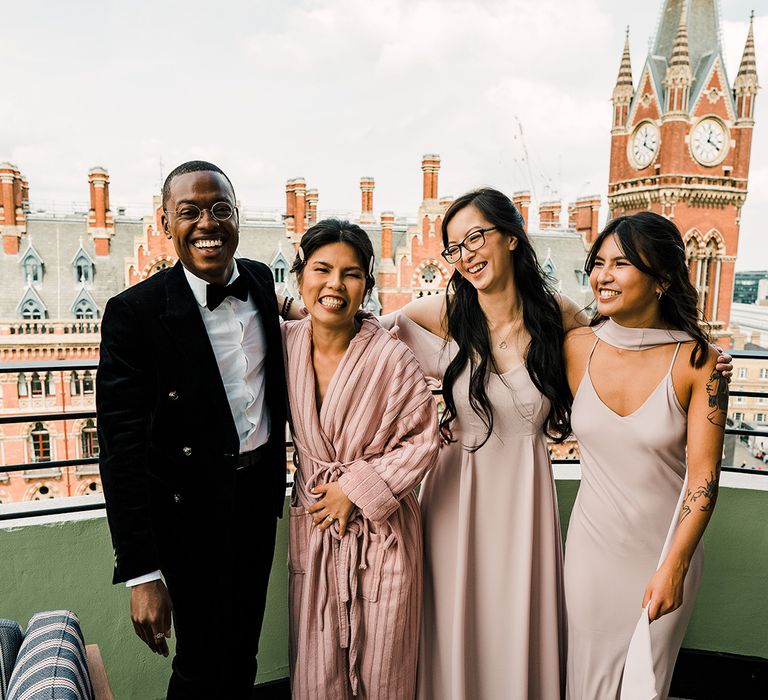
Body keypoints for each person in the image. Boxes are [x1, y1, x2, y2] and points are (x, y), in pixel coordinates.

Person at [379, 188, 579, 699]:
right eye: (454, 247)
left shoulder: (559, 316)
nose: (466, 255)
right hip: (453, 498)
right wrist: (289, 306)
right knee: (452, 625)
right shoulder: (442, 312)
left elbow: (625, 344)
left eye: (475, 237)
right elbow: (358, 337)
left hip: (524, 501)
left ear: (511, 237)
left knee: (516, 621)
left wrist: (698, 350)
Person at [97, 161, 287, 699]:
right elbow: (121, 450)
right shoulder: (134, 313)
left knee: (242, 651)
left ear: (237, 217)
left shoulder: (259, 280)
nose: (208, 222)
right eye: (190, 211)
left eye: (220, 208)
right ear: (166, 222)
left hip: (255, 499)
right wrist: (141, 573)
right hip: (186, 514)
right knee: (200, 663)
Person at [563, 212, 727, 699]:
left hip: (663, 553)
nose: (603, 275)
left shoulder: (701, 362)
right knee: (586, 685)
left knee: (644, 686)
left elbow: (703, 477)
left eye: (622, 264)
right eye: (599, 263)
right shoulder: (574, 346)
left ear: (662, 279)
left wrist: (674, 566)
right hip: (590, 555)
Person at [283, 219, 439, 699]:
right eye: (321, 270)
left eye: (350, 274)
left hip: (382, 535)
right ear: (300, 276)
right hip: (316, 529)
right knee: (316, 672)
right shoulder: (282, 343)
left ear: (367, 286)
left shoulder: (393, 358)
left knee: (385, 669)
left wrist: (357, 488)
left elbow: (423, 439)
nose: (334, 285)